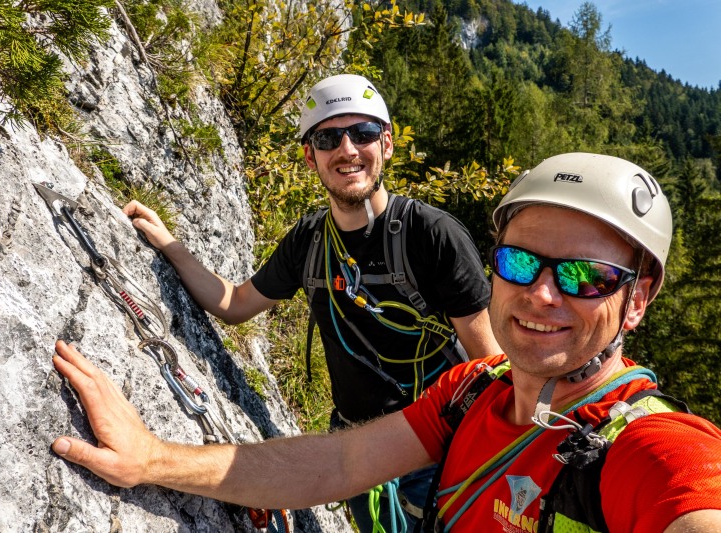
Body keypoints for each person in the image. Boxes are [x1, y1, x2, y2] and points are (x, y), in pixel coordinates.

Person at [51, 152, 721, 532]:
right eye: (521, 263)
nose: (543, 293)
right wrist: (152, 457)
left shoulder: (646, 449)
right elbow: (337, 466)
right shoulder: (471, 390)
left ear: (636, 297)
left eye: (584, 276)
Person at [119, 73, 502, 530]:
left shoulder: (431, 235)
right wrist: (168, 244)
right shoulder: (309, 241)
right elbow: (236, 304)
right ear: (309, 156)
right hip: (356, 450)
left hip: (432, 444)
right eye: (327, 137)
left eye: (362, 133)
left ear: (387, 143)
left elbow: (490, 366)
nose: (347, 150)